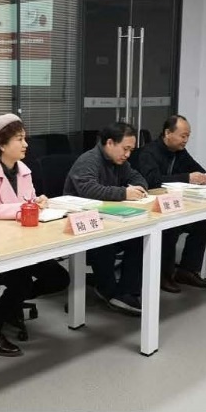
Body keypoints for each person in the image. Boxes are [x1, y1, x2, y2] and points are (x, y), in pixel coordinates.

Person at [0, 114, 70, 356]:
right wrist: (21, 208)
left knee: (59, 278)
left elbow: (28, 201)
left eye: (25, 138)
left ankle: (8, 305)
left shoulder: (24, 171)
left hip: (26, 242)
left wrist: (37, 202)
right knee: (21, 282)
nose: (26, 144)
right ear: (2, 145)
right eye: (19, 139)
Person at [64, 122, 149, 315]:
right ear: (110, 143)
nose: (128, 155)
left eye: (131, 150)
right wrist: (124, 193)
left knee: (139, 238)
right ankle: (108, 291)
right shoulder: (89, 160)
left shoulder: (119, 162)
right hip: (81, 226)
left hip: (108, 219)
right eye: (125, 149)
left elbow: (138, 178)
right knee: (105, 244)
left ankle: (127, 292)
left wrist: (138, 188)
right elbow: (89, 189)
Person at [137, 115, 206, 293]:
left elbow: (198, 170)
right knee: (170, 228)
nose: (185, 140)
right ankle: (163, 275)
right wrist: (186, 177)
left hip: (173, 204)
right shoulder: (149, 153)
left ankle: (187, 270)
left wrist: (201, 177)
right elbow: (151, 181)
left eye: (188, 136)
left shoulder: (179, 151)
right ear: (167, 133)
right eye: (182, 136)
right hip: (151, 207)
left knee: (202, 224)